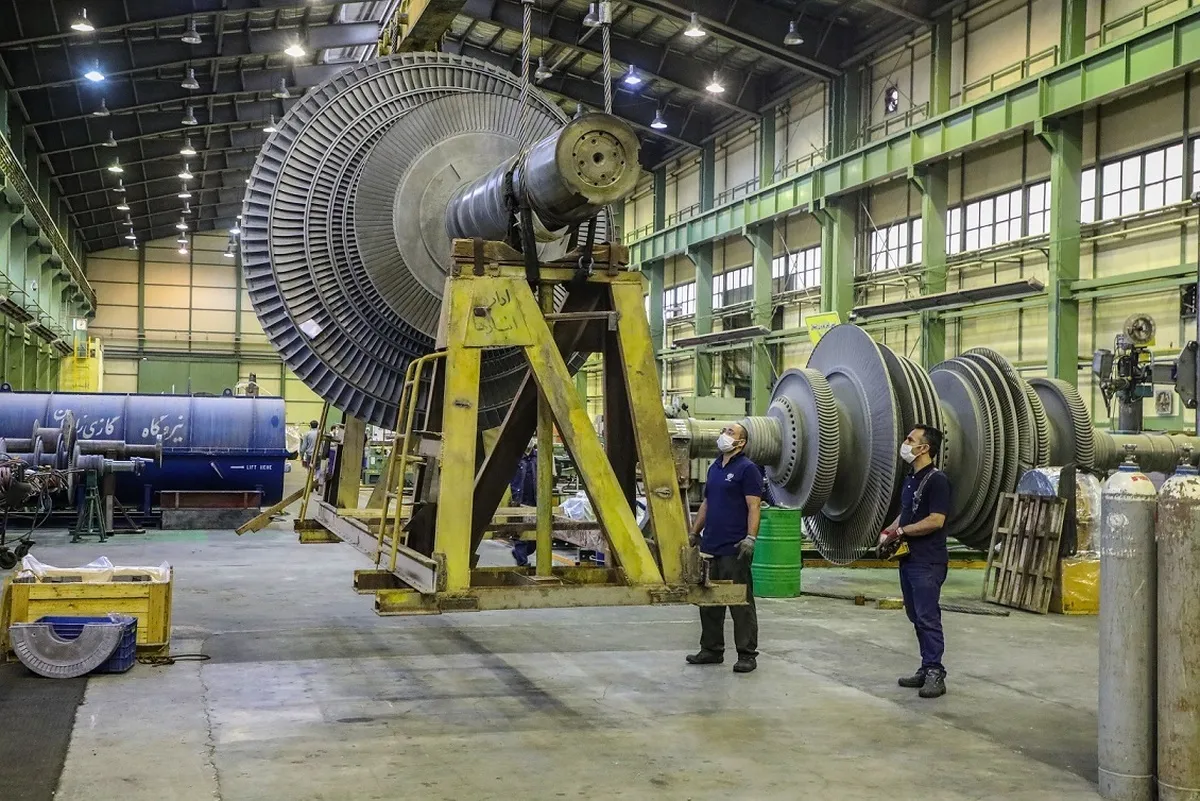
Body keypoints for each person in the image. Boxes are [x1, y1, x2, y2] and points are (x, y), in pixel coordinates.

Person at [878, 424, 952, 699]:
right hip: (910, 560)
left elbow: (936, 520)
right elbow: (907, 512)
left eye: (910, 440)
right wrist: (890, 531)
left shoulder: (937, 481)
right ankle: (926, 666)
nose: (905, 443)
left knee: (927, 617)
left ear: (924, 448)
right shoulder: (912, 479)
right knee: (916, 616)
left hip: (928, 562)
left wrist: (901, 531)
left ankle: (935, 672)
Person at [686, 422, 762, 674]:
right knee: (708, 600)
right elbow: (707, 503)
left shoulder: (747, 469)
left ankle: (746, 654)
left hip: (734, 547)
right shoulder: (715, 467)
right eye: (724, 431)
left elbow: (754, 506)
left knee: (740, 602)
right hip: (710, 544)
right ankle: (711, 649)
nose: (724, 435)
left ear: (741, 442)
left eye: (730, 433)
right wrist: (695, 531)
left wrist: (750, 538)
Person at [510, 440, 539, 567]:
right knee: (520, 532)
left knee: (534, 538)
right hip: (519, 499)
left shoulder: (538, 457)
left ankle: (519, 553)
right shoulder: (513, 457)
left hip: (534, 500)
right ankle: (522, 562)